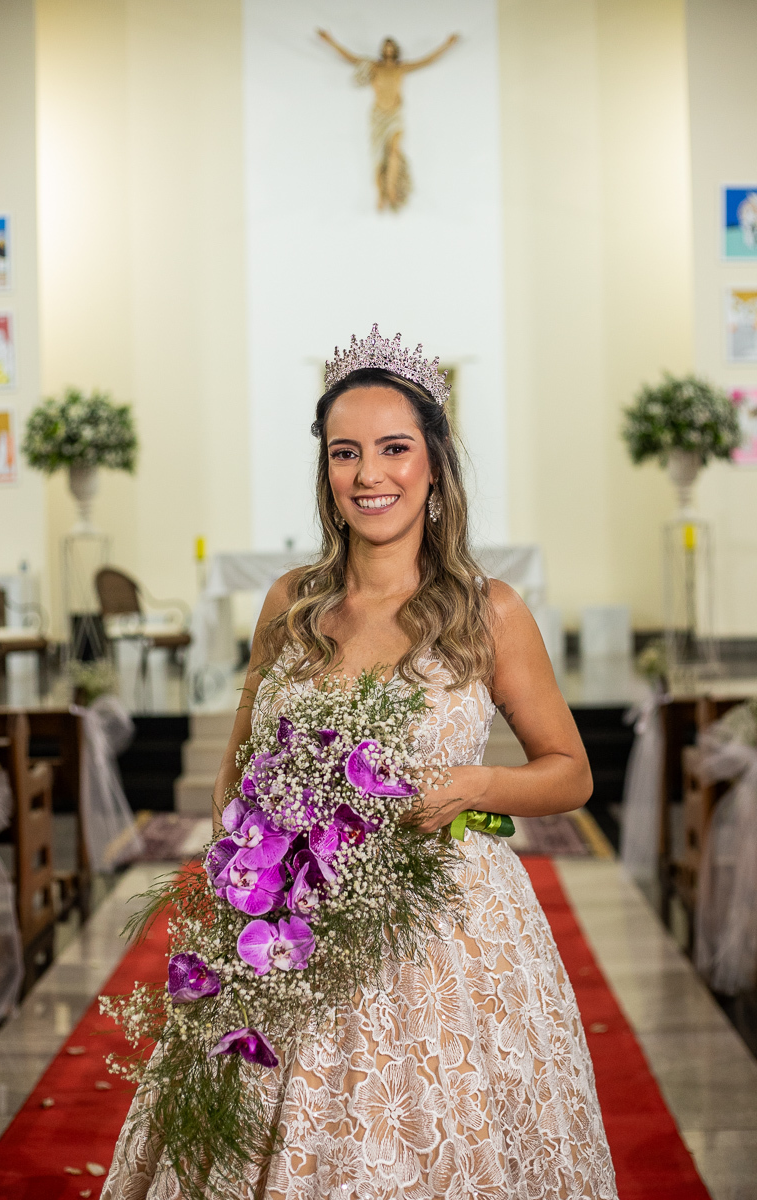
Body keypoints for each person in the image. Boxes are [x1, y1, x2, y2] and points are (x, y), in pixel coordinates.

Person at [102, 326, 618, 1199]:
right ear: (326, 472)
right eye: (347, 453)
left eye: (393, 448)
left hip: (444, 932)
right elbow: (235, 775)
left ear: (433, 464)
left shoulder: (487, 611)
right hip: (290, 921)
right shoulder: (290, 603)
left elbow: (571, 770)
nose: (370, 475)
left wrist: (477, 786)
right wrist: (257, 861)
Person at [317, 31, 458, 212]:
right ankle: (379, 194)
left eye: (391, 48)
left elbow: (427, 60)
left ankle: (391, 191)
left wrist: (448, 44)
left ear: (395, 50)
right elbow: (349, 57)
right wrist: (330, 41)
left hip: (395, 115)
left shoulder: (401, 68)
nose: (388, 51)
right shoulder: (375, 66)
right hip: (377, 116)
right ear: (382, 51)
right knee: (377, 157)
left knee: (394, 151)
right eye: (386, 48)